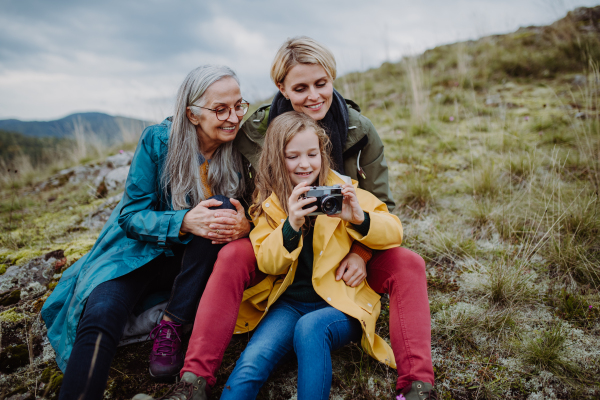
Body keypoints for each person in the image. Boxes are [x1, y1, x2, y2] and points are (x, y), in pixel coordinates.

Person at [135, 36, 435, 400]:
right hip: (278, 243)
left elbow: (383, 210)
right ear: (281, 87)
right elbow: (243, 196)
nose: (313, 96)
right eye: (300, 87)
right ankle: (193, 380)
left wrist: (362, 251)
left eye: (321, 84)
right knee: (232, 257)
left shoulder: (358, 134)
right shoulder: (254, 132)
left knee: (406, 262)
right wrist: (253, 220)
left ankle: (419, 386)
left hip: (342, 254)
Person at [41, 65, 252, 400]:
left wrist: (246, 225)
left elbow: (261, 208)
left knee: (222, 207)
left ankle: (171, 324)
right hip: (135, 254)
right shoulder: (158, 141)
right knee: (101, 314)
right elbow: (130, 215)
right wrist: (182, 221)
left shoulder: (245, 148)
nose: (233, 117)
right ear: (192, 114)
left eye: (239, 105)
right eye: (220, 109)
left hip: (193, 264)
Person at [221, 111, 404, 399]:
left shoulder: (344, 190)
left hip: (341, 304)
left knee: (311, 328)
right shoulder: (269, 204)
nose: (305, 164)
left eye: (312, 154)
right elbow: (267, 261)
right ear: (276, 160)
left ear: (323, 154)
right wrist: (290, 224)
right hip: (290, 305)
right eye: (292, 156)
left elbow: (394, 230)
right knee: (250, 363)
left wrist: (359, 219)